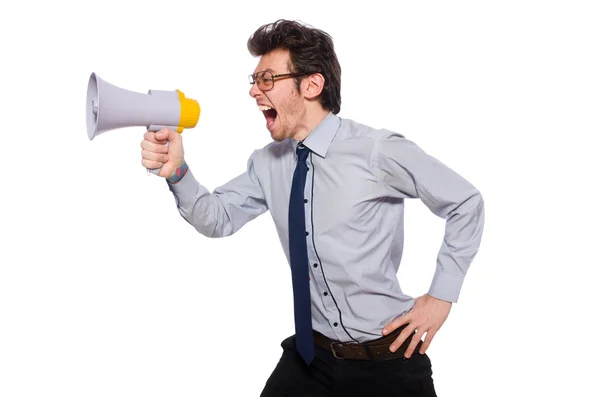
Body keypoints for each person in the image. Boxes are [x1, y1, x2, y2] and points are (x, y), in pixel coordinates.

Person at [140, 19, 484, 397]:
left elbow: (465, 202)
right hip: (311, 358)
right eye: (253, 80)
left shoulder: (376, 150)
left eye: (267, 79)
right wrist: (177, 172)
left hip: (387, 360)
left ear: (312, 85)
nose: (254, 91)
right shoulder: (267, 162)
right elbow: (217, 219)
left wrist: (441, 297)